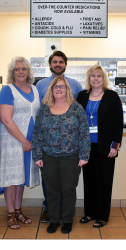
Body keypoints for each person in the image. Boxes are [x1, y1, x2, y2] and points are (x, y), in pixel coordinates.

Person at [32, 77, 90, 234]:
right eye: (55, 86)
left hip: (71, 156)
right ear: (51, 89)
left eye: (62, 87)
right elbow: (37, 133)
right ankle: (53, 220)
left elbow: (84, 133)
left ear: (67, 89)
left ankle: (68, 220)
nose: (59, 89)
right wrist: (37, 156)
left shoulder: (76, 108)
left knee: (68, 189)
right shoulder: (44, 109)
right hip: (48, 156)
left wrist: (84, 155)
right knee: (51, 190)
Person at [36, 50, 83, 223]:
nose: (58, 64)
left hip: (69, 145)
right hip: (48, 144)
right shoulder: (40, 85)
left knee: (67, 182)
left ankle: (65, 211)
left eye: (61, 62)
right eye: (55, 62)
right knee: (50, 182)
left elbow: (79, 111)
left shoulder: (75, 85)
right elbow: (38, 112)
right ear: (50, 65)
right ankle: (49, 210)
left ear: (65, 65)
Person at [76, 65, 124, 228]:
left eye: (99, 76)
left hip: (105, 146)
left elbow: (118, 122)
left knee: (104, 181)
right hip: (86, 146)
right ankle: (90, 213)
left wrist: (115, 145)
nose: (96, 79)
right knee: (89, 181)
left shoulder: (112, 96)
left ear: (104, 79)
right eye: (93, 76)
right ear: (88, 79)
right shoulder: (82, 96)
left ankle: (103, 216)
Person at [0, 57, 41, 230]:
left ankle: (18, 211)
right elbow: (6, 119)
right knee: (12, 178)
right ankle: (10, 214)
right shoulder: (7, 90)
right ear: (12, 72)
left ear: (29, 72)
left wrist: (31, 141)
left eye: (24, 69)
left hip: (30, 143)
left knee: (21, 177)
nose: (21, 72)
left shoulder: (36, 90)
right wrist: (23, 141)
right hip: (13, 141)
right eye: (17, 69)